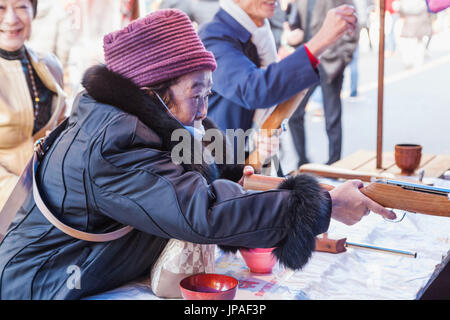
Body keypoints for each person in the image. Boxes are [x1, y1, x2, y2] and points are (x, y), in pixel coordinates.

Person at [0, 9, 395, 300]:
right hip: (48, 284)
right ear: (154, 92)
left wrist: (300, 185)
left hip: (102, 267)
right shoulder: (113, 144)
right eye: (198, 94)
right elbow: (205, 213)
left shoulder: (157, 118)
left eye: (209, 92)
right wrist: (321, 207)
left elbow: (217, 162)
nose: (205, 108)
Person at [198, 0, 358, 172]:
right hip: (227, 167)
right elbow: (254, 89)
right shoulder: (213, 36)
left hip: (261, 155)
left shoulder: (261, 29)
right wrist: (321, 41)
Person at [0, 0, 66, 214]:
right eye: (0, 8)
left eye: (21, 6)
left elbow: (61, 132)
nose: (12, 19)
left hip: (49, 201)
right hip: (13, 209)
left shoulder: (49, 65)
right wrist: (26, 201)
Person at [284, 0, 359, 166]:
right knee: (294, 113)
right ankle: (302, 161)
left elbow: (353, 21)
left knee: (332, 116)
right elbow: (296, 24)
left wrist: (343, 57)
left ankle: (334, 163)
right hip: (306, 60)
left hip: (331, 61)